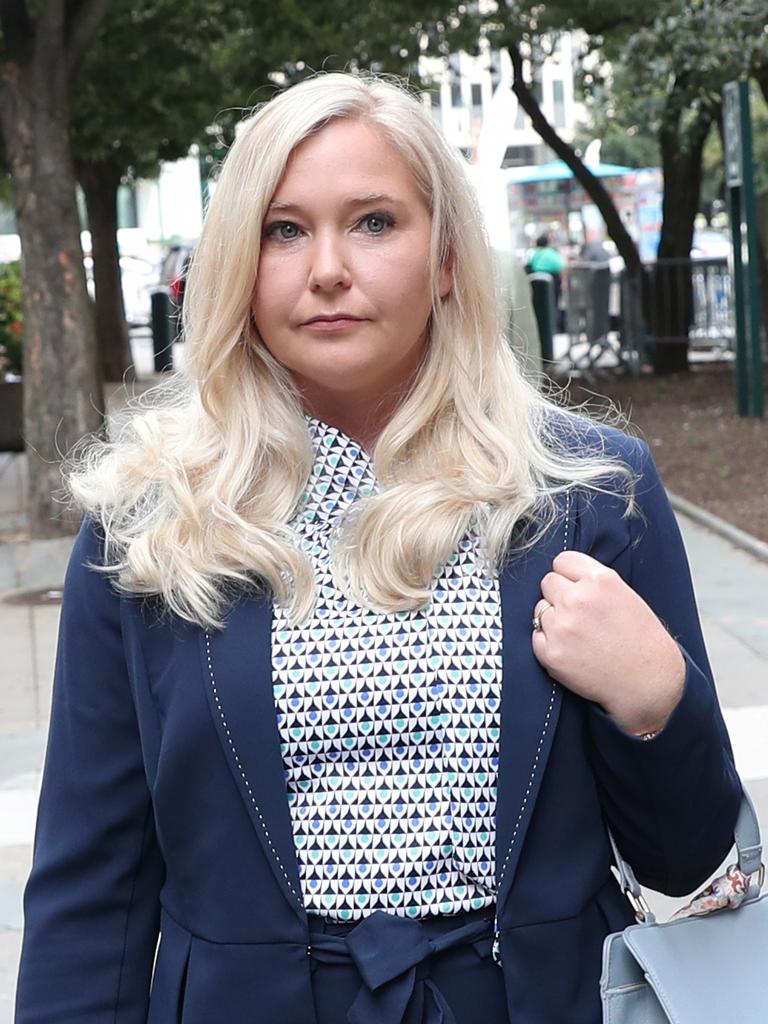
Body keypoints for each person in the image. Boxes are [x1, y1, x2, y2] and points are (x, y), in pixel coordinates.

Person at [15, 73, 743, 1024]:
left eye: (373, 222)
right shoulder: (153, 521)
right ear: (240, 261)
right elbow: (92, 888)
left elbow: (690, 860)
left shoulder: (586, 493)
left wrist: (657, 702)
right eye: (284, 229)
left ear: (446, 258)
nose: (326, 268)